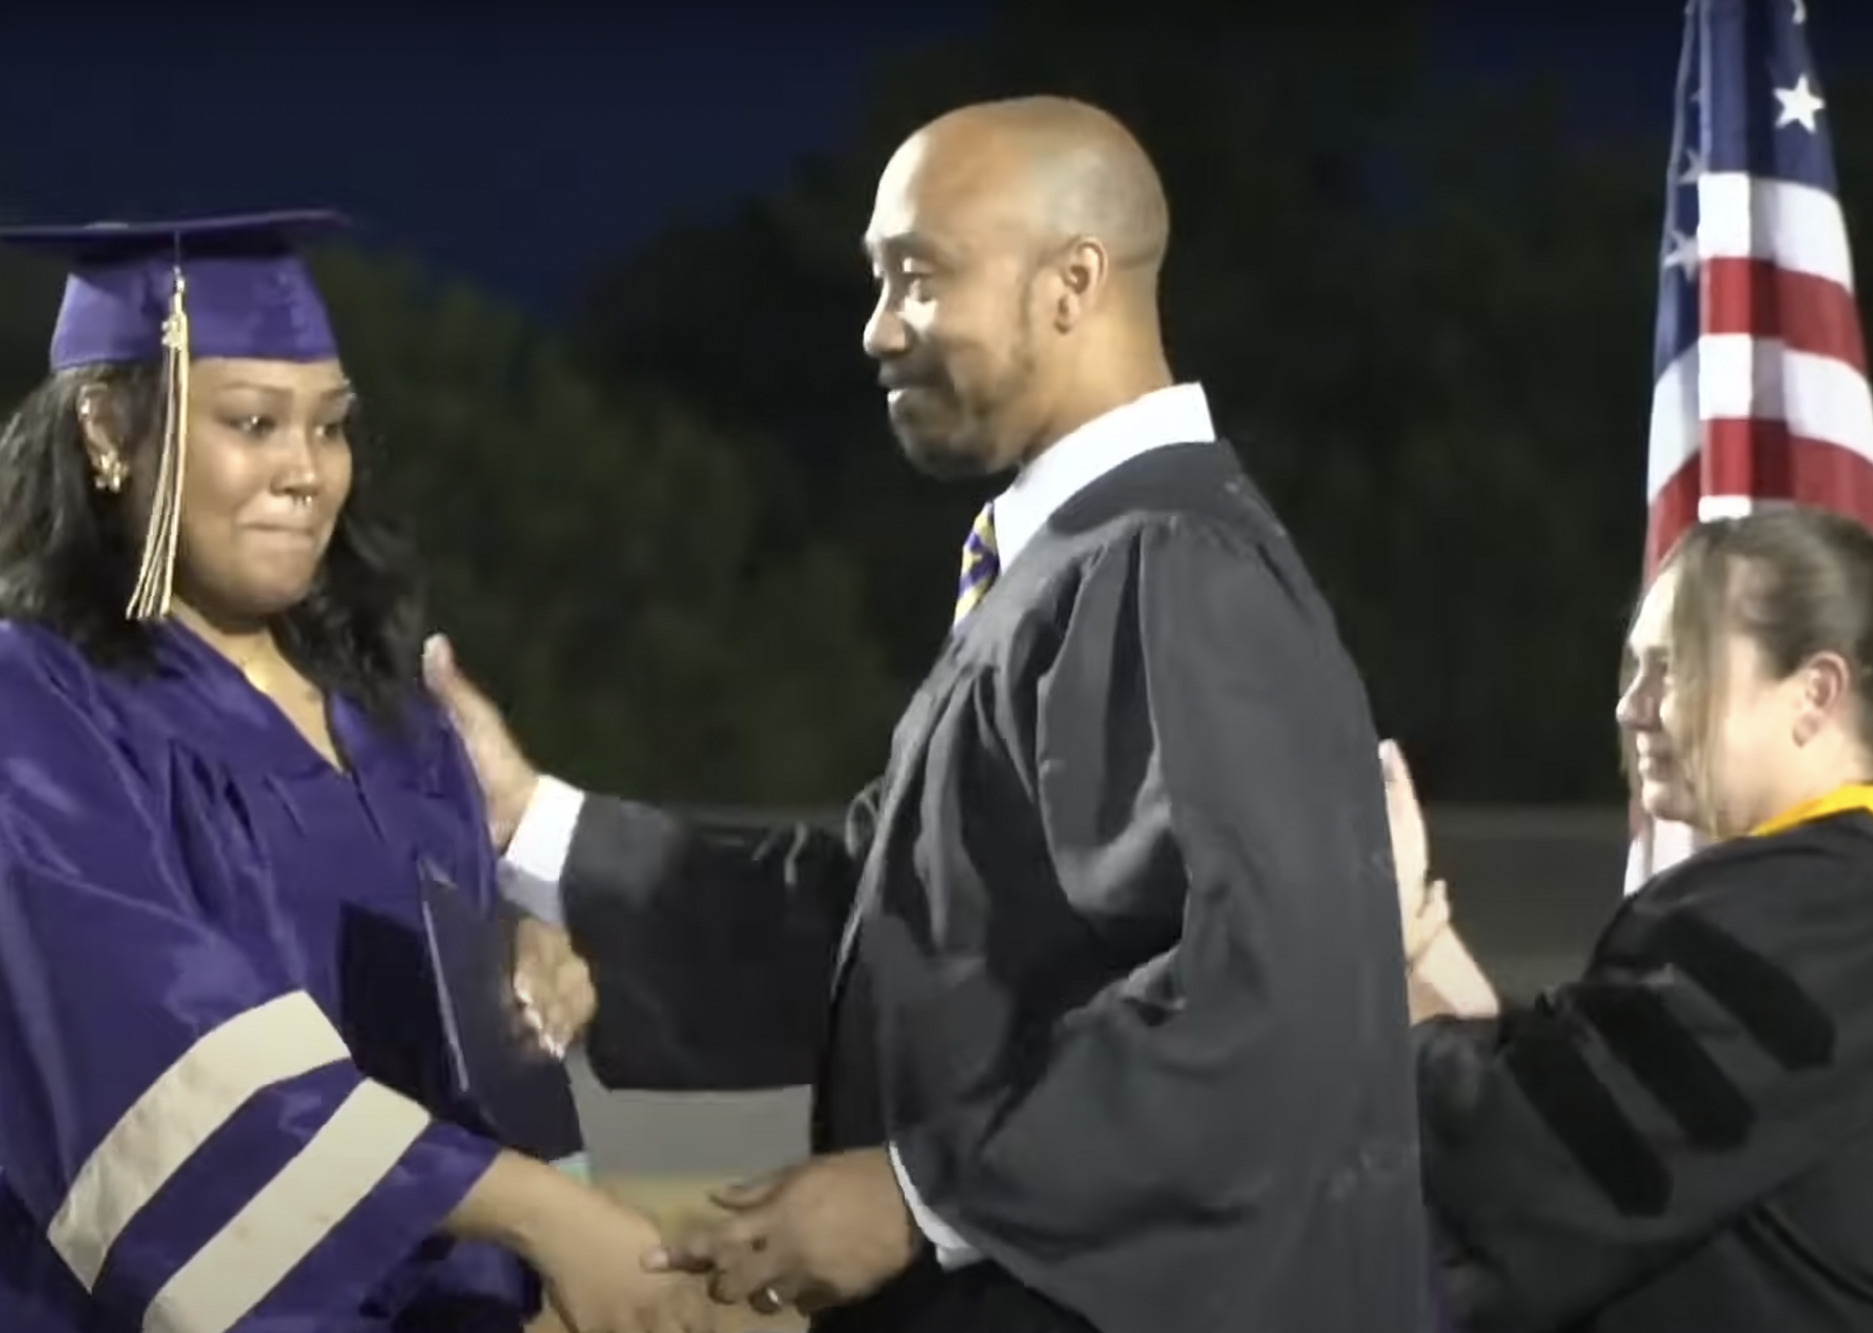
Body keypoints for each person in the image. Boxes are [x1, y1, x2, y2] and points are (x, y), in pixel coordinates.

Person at [426, 96, 1428, 1333]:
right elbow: (892, 931)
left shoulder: (1170, 568)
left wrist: (918, 1193)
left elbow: (1266, 1002)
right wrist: (533, 820)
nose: (877, 328)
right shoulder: (1074, 563)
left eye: (917, 278)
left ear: (1073, 283)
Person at [0, 211, 709, 1333]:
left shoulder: (402, 729)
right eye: (252, 422)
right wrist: (538, 1212)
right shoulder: (23, 703)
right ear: (107, 430)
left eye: (330, 428)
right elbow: (142, 1047)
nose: (305, 472)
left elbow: (443, 1054)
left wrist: (515, 961)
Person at [1389, 508, 1873, 1333]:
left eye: (1670, 668)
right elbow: (1604, 1113)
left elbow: (1532, 1164)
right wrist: (1418, 948)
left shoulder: (1828, 905)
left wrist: (1366, 959)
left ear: (1816, 692)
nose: (1629, 707)